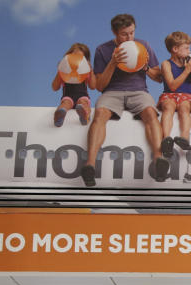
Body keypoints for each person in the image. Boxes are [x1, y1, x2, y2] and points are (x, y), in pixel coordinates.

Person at [79, 13, 166, 187]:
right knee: (100, 114)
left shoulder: (144, 46)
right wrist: (112, 63)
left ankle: (159, 160)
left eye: (132, 33)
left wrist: (146, 67)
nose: (129, 37)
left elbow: (159, 78)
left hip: (139, 91)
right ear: (114, 33)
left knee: (150, 113)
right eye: (124, 34)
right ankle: (90, 165)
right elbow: (100, 86)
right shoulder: (102, 50)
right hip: (112, 92)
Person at [158, 31, 191, 159]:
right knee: (168, 108)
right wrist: (187, 70)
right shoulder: (166, 64)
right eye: (186, 48)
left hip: (186, 96)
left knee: (184, 109)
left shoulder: (189, 64)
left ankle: (184, 138)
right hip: (169, 94)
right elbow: (172, 85)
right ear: (175, 49)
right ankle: (166, 139)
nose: (189, 51)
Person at [51, 43, 96, 127]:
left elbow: (92, 87)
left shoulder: (85, 71)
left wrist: (91, 71)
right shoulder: (64, 71)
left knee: (83, 103)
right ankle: (58, 117)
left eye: (80, 58)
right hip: (68, 97)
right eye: (74, 57)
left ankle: (85, 116)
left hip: (82, 96)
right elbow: (55, 87)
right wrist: (60, 70)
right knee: (65, 104)